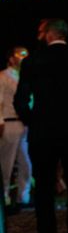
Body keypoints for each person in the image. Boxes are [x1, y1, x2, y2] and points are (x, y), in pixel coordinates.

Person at [15, 19, 68, 233]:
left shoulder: (32, 61)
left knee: (44, 186)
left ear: (50, 34)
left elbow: (20, 100)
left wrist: (32, 120)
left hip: (43, 132)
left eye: (41, 32)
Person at [0, 47, 32, 209]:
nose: (24, 58)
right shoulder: (3, 76)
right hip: (9, 122)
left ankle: (23, 195)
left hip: (25, 124)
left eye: (26, 55)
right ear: (11, 58)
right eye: (20, 55)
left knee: (25, 162)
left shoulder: (26, 75)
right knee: (7, 162)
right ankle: (4, 194)